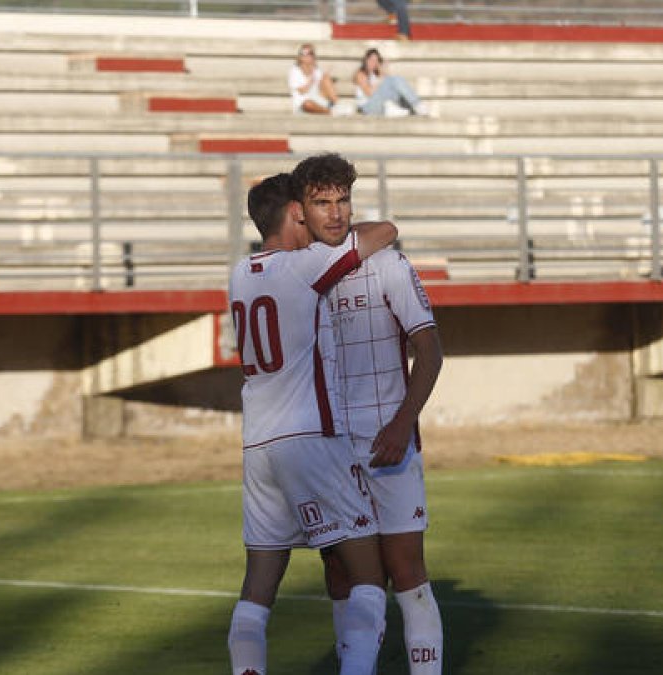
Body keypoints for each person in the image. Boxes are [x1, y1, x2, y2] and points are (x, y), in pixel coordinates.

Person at [227, 172, 399, 675]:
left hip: (258, 444)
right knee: (369, 576)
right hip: (311, 440)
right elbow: (383, 231)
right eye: (313, 207)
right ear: (298, 213)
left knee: (258, 588)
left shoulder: (241, 272)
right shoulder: (304, 266)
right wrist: (341, 228)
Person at [291, 153, 445, 674]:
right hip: (328, 453)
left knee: (406, 571)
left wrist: (403, 421)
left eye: (342, 200)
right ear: (302, 210)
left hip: (389, 446)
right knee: (344, 579)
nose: (334, 213)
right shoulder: (292, 275)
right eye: (321, 202)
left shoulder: (389, 264)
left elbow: (431, 351)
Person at [354, 48, 428, 117]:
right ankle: (412, 106)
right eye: (371, 60)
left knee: (396, 80)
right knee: (393, 80)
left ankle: (416, 105)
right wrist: (382, 76)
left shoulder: (376, 75)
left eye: (376, 61)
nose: (373, 63)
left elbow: (391, 85)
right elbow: (369, 92)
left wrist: (383, 71)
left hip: (381, 105)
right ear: (366, 60)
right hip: (368, 107)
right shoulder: (361, 74)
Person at [289, 43, 339, 115]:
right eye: (303, 53)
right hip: (303, 105)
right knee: (307, 104)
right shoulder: (294, 71)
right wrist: (311, 80)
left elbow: (321, 88)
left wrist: (326, 78)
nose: (306, 56)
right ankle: (330, 111)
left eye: (310, 53)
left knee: (326, 79)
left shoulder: (316, 70)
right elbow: (302, 91)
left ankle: (338, 106)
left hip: (317, 100)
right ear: (300, 57)